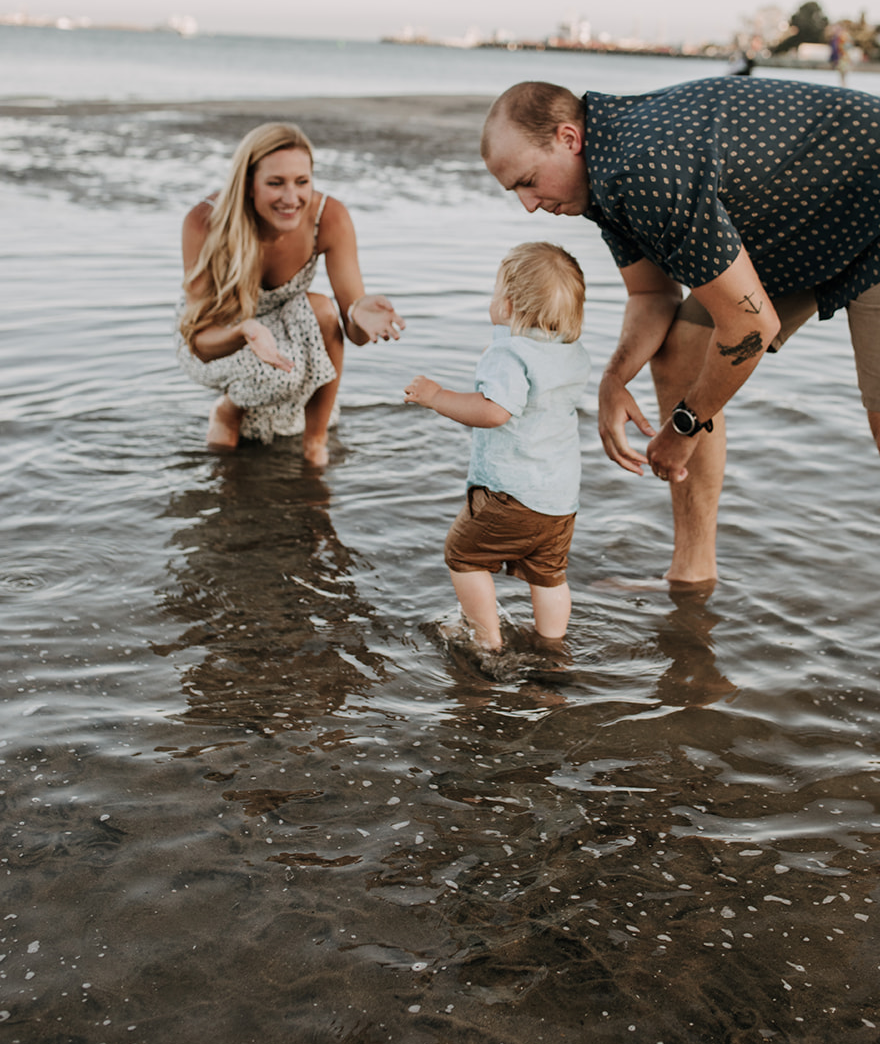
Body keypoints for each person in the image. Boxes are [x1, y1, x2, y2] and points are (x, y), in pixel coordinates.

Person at [480, 78, 880, 710]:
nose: (529, 206)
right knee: (678, 347)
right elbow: (653, 297)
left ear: (569, 139)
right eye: (514, 192)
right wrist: (614, 377)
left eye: (528, 182)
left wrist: (683, 426)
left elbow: (750, 325)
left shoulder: (644, 165)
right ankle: (691, 572)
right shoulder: (598, 182)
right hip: (801, 223)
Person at [178, 121, 404, 467]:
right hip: (220, 337)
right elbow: (199, 343)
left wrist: (358, 314)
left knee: (324, 309)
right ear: (248, 184)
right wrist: (244, 331)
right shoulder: (205, 221)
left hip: (289, 332)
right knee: (278, 372)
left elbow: (351, 334)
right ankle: (228, 412)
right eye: (275, 183)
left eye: (302, 182)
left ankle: (315, 443)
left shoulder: (329, 216)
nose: (291, 198)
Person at [403, 242, 591, 651]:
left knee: (463, 555)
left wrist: (436, 396)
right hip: (559, 501)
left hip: (511, 494)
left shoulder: (508, 352)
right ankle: (552, 644)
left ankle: (486, 639)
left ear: (506, 305)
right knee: (549, 574)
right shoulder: (570, 354)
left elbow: (495, 411)